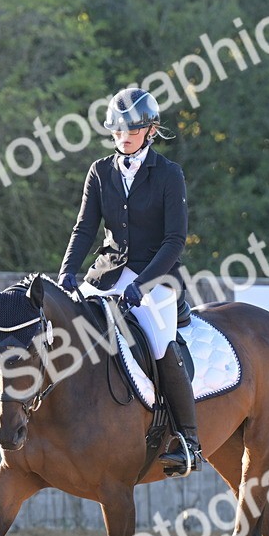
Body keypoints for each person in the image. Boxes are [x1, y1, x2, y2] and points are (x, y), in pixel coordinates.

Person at [56, 87, 201, 476]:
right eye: (118, 130)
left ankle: (188, 440)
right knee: (64, 327)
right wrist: (68, 269)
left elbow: (175, 241)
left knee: (158, 343)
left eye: (132, 130)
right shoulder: (100, 171)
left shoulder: (169, 174)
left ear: (150, 129)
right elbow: (85, 228)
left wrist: (145, 283)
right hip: (108, 274)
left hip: (156, 275)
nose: (124, 137)